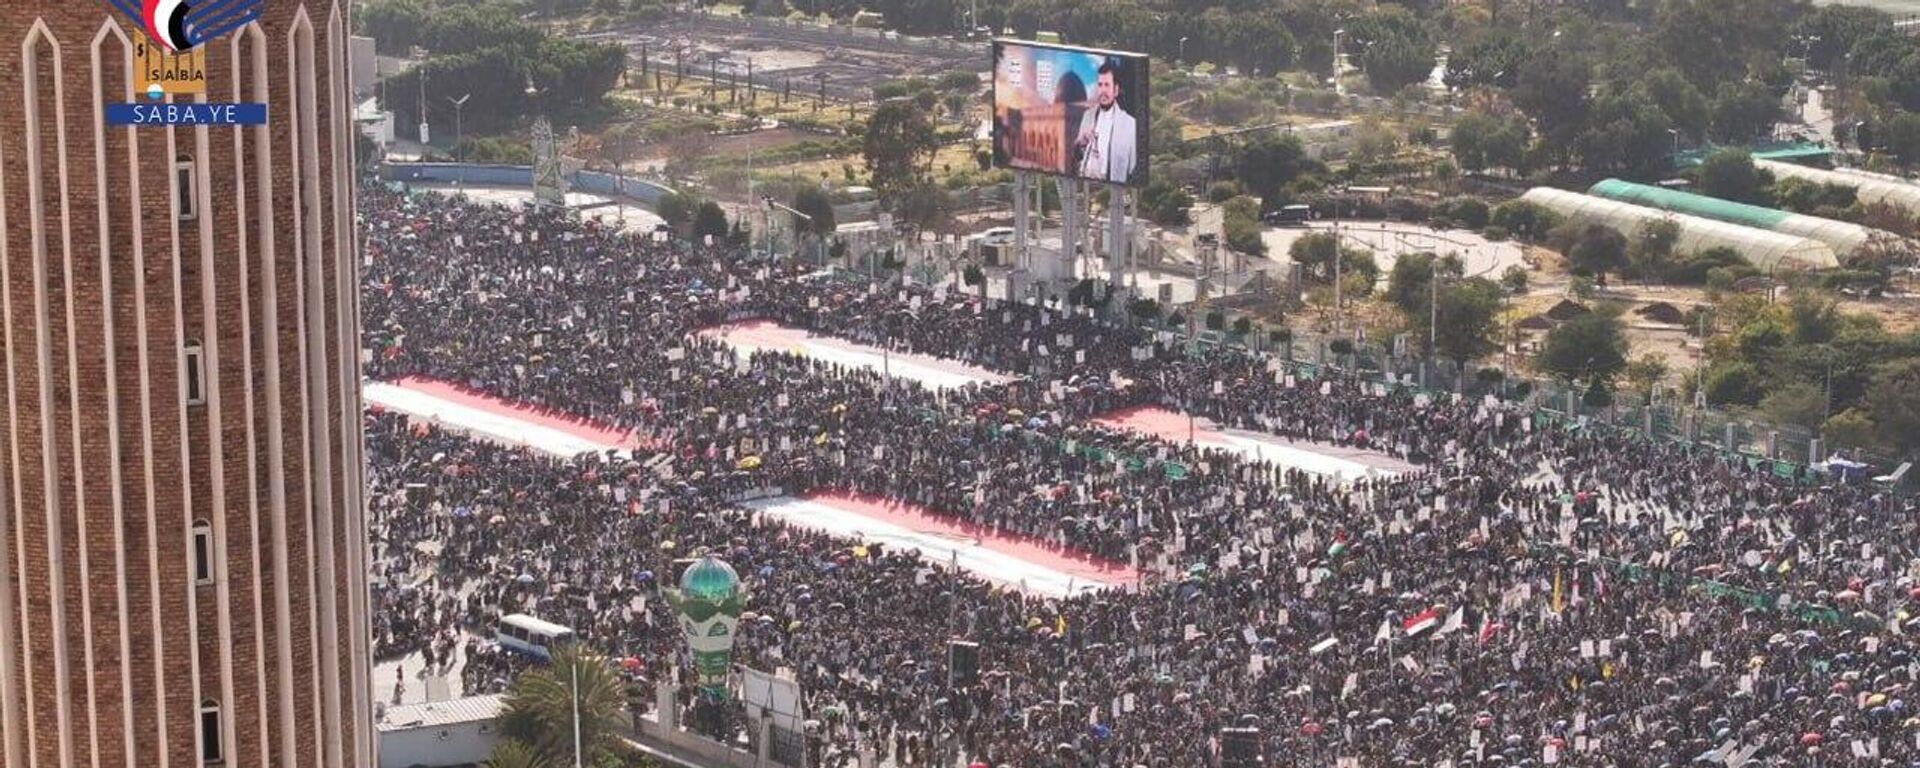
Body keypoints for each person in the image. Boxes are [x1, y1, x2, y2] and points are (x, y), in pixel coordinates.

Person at [1072, 57, 1137, 184]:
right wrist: (1080, 143)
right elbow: (1076, 156)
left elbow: (1133, 168)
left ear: (1116, 90)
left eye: (1107, 85)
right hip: (1088, 179)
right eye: (1100, 85)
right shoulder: (1088, 116)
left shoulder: (1129, 124)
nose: (1103, 91)